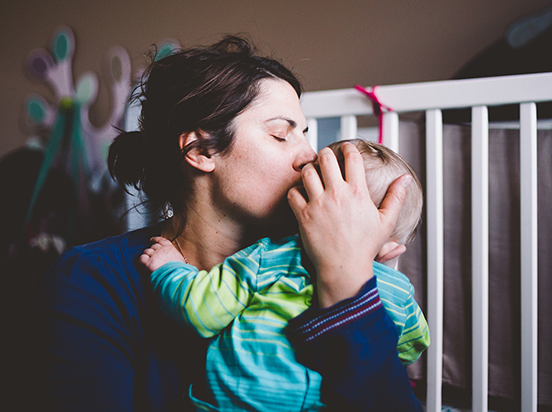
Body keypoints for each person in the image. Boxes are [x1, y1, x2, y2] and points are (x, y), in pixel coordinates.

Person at [32, 36, 424, 411]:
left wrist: (348, 280)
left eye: (305, 135)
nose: (310, 156)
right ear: (201, 150)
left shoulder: (331, 270)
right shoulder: (93, 280)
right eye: (280, 134)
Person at [139, 139, 430, 411]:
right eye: (280, 134)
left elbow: (200, 310)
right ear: (393, 248)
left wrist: (170, 268)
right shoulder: (400, 293)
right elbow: (411, 347)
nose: (304, 157)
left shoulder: (268, 256)